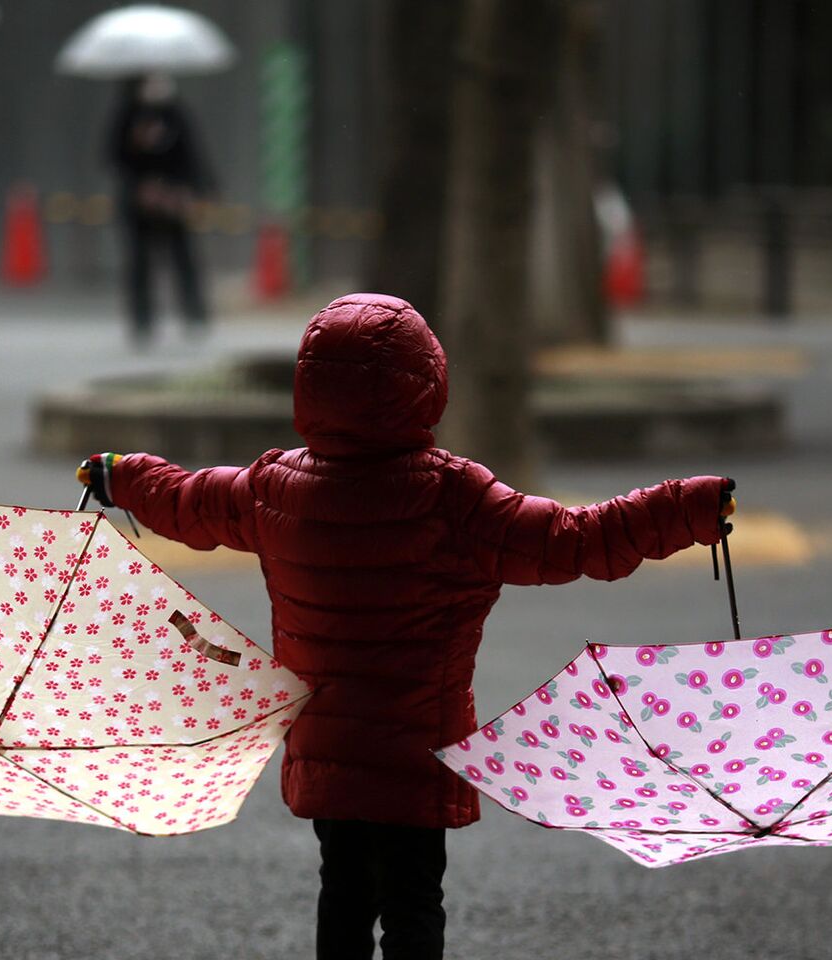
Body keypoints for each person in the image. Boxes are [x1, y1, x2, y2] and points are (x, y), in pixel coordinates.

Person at [77, 294, 735, 958]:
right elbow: (573, 539)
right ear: (426, 383)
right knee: (414, 902)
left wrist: (118, 475)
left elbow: (186, 499)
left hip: (326, 748)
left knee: (343, 892)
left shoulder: (272, 488)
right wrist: (690, 509)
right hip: (418, 747)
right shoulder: (454, 496)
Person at [107, 73, 214, 349]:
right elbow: (112, 156)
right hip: (139, 200)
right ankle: (142, 319)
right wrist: (137, 149)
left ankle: (195, 313)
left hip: (172, 198)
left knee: (183, 258)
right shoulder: (127, 114)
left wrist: (190, 188)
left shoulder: (175, 114)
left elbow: (192, 155)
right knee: (140, 262)